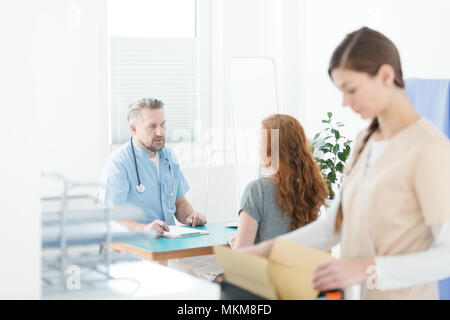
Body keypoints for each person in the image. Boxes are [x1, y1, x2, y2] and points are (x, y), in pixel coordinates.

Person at [240, 27, 450, 300]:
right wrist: (266, 251)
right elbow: (333, 226)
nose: (344, 102)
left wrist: (367, 269)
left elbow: (446, 255)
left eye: (351, 89)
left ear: (385, 76)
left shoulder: (429, 148)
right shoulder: (366, 140)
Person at [98, 98, 206, 237]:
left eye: (162, 125)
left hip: (167, 246)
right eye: (152, 127)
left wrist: (190, 217)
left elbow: (180, 203)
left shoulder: (169, 156)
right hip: (132, 248)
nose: (160, 132)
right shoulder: (118, 163)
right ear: (134, 129)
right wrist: (145, 228)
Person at [227, 114, 329, 249]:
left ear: (268, 148)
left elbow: (242, 256)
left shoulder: (257, 190)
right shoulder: (310, 186)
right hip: (299, 269)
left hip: (264, 269)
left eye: (260, 142)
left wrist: (234, 243)